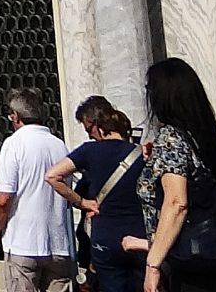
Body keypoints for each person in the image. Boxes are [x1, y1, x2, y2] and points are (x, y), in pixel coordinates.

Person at [139, 58, 216, 292]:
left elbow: (177, 203)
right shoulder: (206, 138)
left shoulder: (171, 137)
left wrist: (153, 265)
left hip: (191, 263)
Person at [52, 97, 145, 292]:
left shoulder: (89, 151)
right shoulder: (141, 154)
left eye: (88, 130)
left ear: (97, 124)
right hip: (139, 237)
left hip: (105, 239)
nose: (90, 136)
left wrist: (82, 202)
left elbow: (52, 176)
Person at [0, 90, 72, 292]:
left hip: (23, 243)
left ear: (15, 116)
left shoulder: (14, 144)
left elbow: (3, 198)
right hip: (58, 243)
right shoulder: (60, 145)